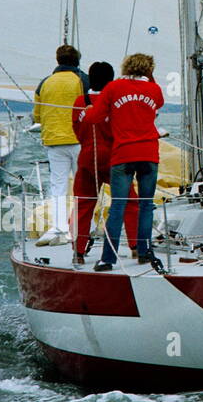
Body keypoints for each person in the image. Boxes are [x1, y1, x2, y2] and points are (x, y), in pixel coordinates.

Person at [86, 53, 164, 270]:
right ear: (149, 70)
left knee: (118, 206)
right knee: (146, 205)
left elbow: (95, 118)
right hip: (149, 153)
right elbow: (159, 103)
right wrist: (151, 77)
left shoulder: (113, 88)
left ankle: (107, 259)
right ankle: (144, 252)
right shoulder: (154, 89)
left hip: (123, 154)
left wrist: (88, 111)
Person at [69, 61, 136, 264]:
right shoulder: (117, 101)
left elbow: (77, 129)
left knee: (83, 204)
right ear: (112, 79)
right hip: (114, 157)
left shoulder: (80, 101)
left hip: (88, 157)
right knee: (131, 202)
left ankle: (78, 252)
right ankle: (136, 246)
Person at [32, 44, 87, 238]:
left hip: (54, 140)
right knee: (83, 185)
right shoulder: (82, 80)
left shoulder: (45, 83)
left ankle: (60, 227)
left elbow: (37, 116)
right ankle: (81, 227)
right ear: (77, 60)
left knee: (58, 186)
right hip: (80, 140)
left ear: (57, 60)